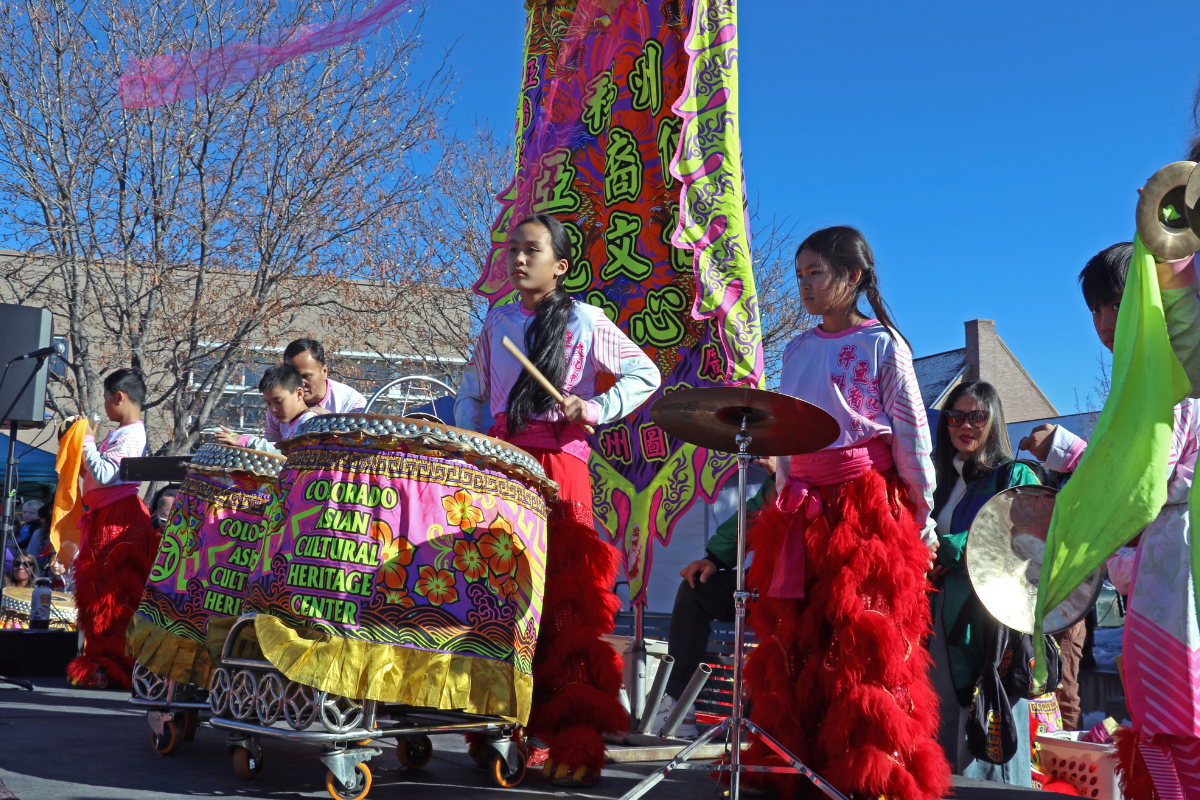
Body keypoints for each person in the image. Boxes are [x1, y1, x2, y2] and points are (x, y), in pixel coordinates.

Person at [739, 226, 950, 800]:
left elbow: (912, 436)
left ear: (852, 277)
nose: (805, 285)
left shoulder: (884, 344)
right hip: (804, 507)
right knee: (798, 637)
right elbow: (790, 432)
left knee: (864, 638)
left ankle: (872, 770)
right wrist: (780, 477)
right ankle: (799, 764)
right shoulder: (796, 349)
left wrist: (921, 514)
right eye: (800, 274)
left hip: (865, 505)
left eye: (817, 273)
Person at [455, 213, 661, 784]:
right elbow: (472, 394)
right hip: (503, 469)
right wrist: (473, 447)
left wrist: (593, 409)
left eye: (533, 250)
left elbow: (645, 375)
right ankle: (502, 726)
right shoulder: (496, 321)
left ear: (560, 265)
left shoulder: (585, 320)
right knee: (503, 595)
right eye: (514, 250)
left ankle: (568, 731)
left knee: (563, 601)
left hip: (560, 466)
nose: (518, 259)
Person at [1021, 241, 1200, 796]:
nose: (1100, 322)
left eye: (1109, 305)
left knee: (1173, 726)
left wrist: (1067, 452)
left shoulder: (1166, 379)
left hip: (1176, 580)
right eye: (1094, 310)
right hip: (1166, 572)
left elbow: (1136, 480)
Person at [927, 380, 1044, 782]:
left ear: (994, 420)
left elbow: (1029, 538)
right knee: (943, 732)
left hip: (990, 629)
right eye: (956, 416)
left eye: (977, 416)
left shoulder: (1015, 474)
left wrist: (951, 548)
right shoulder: (939, 484)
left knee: (990, 739)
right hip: (937, 622)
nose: (966, 425)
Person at [662, 457, 777, 738]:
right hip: (766, 579)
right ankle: (677, 702)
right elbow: (753, 516)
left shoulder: (821, 466)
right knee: (695, 588)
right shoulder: (777, 479)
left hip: (808, 589)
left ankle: (762, 724)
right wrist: (713, 559)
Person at [66, 367, 159, 689]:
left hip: (120, 519)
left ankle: (116, 662)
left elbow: (106, 474)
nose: (105, 407)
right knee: (100, 591)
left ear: (119, 397)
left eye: (106, 399)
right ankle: (101, 659)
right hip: (107, 515)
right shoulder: (120, 433)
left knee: (115, 595)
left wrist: (87, 441)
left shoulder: (132, 434)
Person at [260, 338, 366, 442]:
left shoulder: (353, 402)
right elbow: (271, 450)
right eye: (292, 377)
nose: (300, 383)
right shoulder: (277, 403)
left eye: (306, 376)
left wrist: (334, 422)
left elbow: (361, 445)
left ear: (324, 371)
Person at [218, 365, 320, 453]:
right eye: (268, 404)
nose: (273, 409)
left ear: (299, 394)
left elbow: (290, 452)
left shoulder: (309, 422)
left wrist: (248, 441)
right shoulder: (291, 423)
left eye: (278, 402)